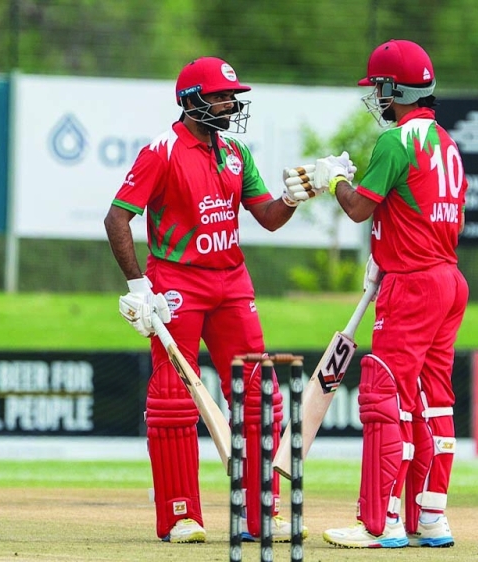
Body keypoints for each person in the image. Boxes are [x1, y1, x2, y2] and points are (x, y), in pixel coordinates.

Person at [103, 56, 346, 544]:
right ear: (192, 100)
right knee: (174, 397)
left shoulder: (235, 151)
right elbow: (117, 218)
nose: (231, 105)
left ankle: (260, 514)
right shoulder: (162, 151)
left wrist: (297, 195)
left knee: (259, 394)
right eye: (220, 97)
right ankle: (180, 516)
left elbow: (267, 217)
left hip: (232, 282)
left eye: (232, 97)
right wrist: (138, 287)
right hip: (177, 281)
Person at [322, 39, 469, 549]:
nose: (377, 97)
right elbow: (433, 215)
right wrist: (389, 246)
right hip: (448, 279)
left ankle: (378, 522)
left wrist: (335, 180)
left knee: (388, 396)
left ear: (397, 90)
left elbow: (358, 209)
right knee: (435, 402)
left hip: (412, 285)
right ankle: (431, 518)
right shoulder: (447, 144)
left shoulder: (395, 142)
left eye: (381, 87)